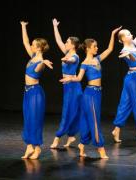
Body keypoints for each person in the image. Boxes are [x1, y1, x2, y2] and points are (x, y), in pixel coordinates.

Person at [60, 26, 121, 158]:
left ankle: (82, 143)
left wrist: (112, 34)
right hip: (89, 95)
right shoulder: (85, 63)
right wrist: (70, 77)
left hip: (98, 93)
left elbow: (110, 49)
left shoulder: (97, 59)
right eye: (94, 46)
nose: (97, 48)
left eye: (97, 46)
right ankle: (100, 148)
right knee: (94, 120)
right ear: (88, 48)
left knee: (89, 120)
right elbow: (79, 78)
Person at [111, 12, 136, 146]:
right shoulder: (124, 50)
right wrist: (129, 55)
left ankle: (116, 129)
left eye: (130, 33)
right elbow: (133, 60)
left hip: (132, 78)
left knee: (125, 103)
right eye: (128, 34)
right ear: (123, 39)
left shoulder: (133, 44)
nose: (131, 35)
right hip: (134, 79)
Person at [20, 21, 53, 159]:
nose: (31, 46)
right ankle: (29, 147)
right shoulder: (33, 57)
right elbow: (25, 42)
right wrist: (23, 27)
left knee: (35, 120)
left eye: (34, 45)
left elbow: (39, 69)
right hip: (27, 92)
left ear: (39, 48)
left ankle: (37, 148)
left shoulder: (40, 61)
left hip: (36, 93)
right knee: (27, 119)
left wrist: (44, 63)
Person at [50, 18, 82, 148]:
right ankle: (71, 136)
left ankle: (57, 137)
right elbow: (58, 40)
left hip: (73, 86)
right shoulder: (67, 52)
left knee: (68, 111)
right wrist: (55, 26)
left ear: (73, 45)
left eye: (67, 42)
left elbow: (71, 61)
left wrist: (66, 60)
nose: (65, 43)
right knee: (71, 110)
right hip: (67, 86)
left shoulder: (75, 56)